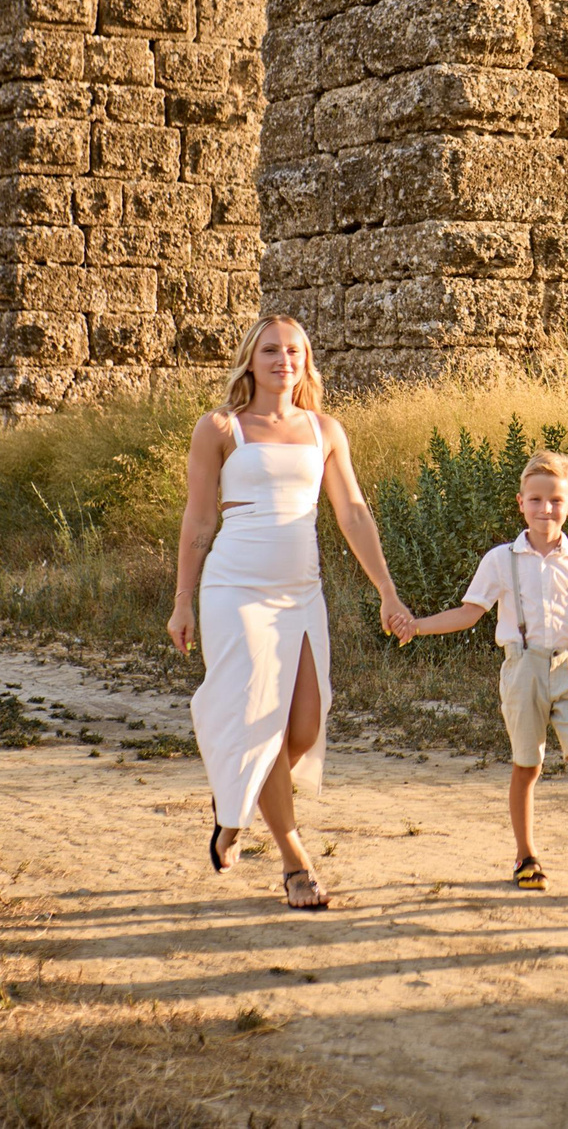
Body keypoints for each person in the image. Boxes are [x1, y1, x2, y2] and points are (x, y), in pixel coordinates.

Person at [168, 314, 414, 910]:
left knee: (305, 721)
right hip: (235, 588)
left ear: (307, 361)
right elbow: (200, 520)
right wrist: (183, 601)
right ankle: (294, 861)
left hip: (302, 590)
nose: (284, 359)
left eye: (295, 350)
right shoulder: (221, 427)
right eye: (271, 350)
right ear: (251, 359)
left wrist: (387, 589)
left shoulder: (324, 429)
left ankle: (238, 801)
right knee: (261, 720)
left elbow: (352, 513)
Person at [404, 449, 568, 891]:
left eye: (555, 500)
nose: (545, 509)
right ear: (520, 503)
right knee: (527, 766)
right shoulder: (501, 559)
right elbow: (468, 613)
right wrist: (417, 627)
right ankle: (525, 857)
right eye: (535, 499)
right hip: (522, 669)